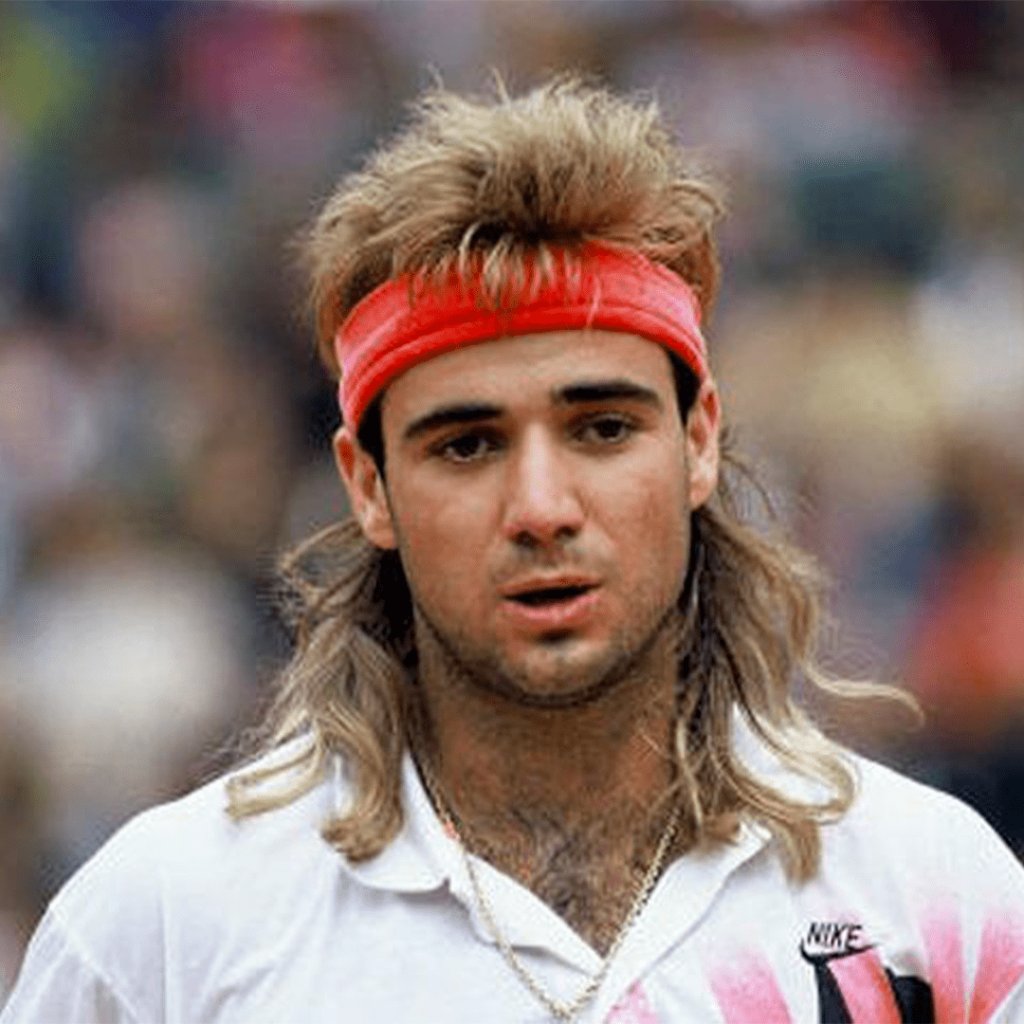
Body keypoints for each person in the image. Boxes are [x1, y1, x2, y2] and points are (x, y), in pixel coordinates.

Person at [4, 78, 1023, 1024]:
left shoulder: (927, 896)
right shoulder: (166, 928)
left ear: (699, 440)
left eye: (603, 429)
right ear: (368, 485)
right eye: (467, 445)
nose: (540, 508)